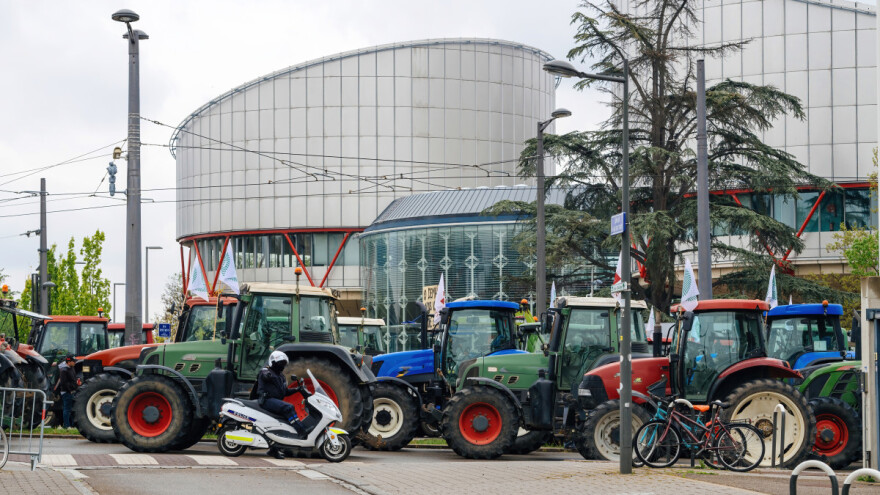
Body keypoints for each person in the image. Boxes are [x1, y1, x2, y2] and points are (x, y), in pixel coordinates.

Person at [256, 351, 306, 459]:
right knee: (288, 407)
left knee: (282, 424)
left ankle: (274, 449)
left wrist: (298, 389)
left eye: (283, 364)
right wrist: (267, 375)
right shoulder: (266, 371)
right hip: (267, 400)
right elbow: (264, 375)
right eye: (280, 363)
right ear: (273, 362)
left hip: (274, 401)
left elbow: (284, 392)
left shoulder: (281, 376)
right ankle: (301, 431)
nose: (282, 366)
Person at [56, 354, 79, 430]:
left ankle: (72, 425)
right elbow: (64, 383)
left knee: (71, 409)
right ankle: (67, 425)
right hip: (67, 392)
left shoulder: (71, 368)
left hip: (71, 391)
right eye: (73, 361)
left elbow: (73, 379)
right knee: (67, 409)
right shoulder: (64, 370)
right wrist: (70, 390)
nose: (75, 362)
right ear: (69, 362)